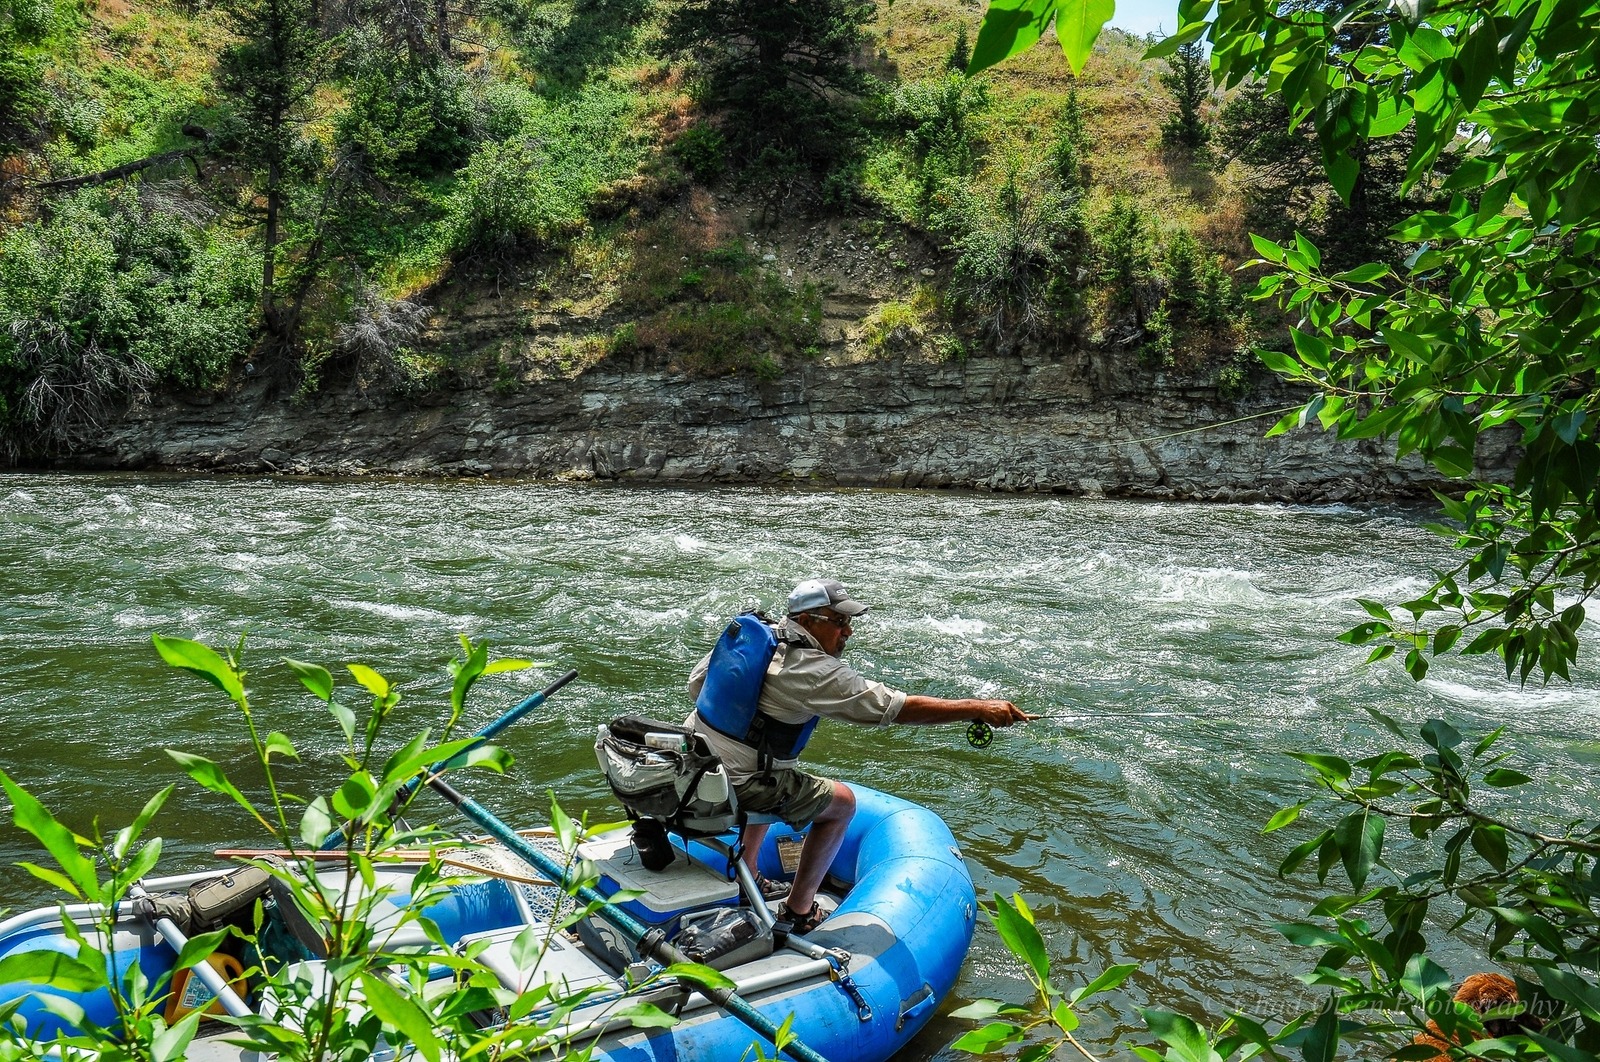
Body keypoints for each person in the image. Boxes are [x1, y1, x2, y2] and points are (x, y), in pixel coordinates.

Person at [686, 577, 1035, 933]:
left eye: (849, 622)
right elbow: (894, 708)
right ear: (807, 622)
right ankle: (799, 910)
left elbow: (696, 684)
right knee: (842, 805)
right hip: (737, 781)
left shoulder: (750, 635)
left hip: (697, 762)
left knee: (776, 771)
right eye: (838, 622)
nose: (848, 631)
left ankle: (750, 875)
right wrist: (975, 708)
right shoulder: (814, 671)